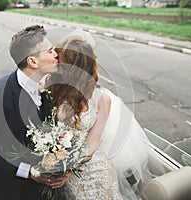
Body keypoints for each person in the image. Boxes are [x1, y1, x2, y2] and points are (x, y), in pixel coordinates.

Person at [47, 35, 164, 199]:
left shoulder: (102, 99)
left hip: (91, 162)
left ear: (76, 68)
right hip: (60, 157)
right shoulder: (51, 87)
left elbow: (93, 142)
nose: (56, 66)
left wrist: (70, 171)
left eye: (62, 64)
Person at [0, 25, 68, 200]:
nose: (56, 54)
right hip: (4, 190)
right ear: (33, 62)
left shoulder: (47, 89)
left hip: (39, 191)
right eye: (50, 51)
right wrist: (29, 172)